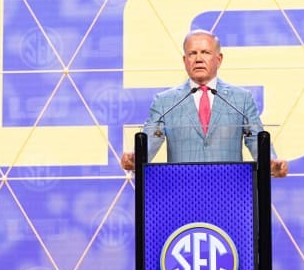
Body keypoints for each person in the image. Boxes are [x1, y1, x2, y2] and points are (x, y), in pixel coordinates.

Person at [121, 29, 288, 177]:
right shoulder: (165, 102)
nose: (198, 59)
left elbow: (256, 141)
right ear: (185, 60)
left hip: (231, 193)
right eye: (192, 53)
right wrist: (136, 158)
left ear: (219, 59)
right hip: (181, 193)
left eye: (205, 52)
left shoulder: (242, 99)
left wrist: (270, 163)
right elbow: (150, 141)